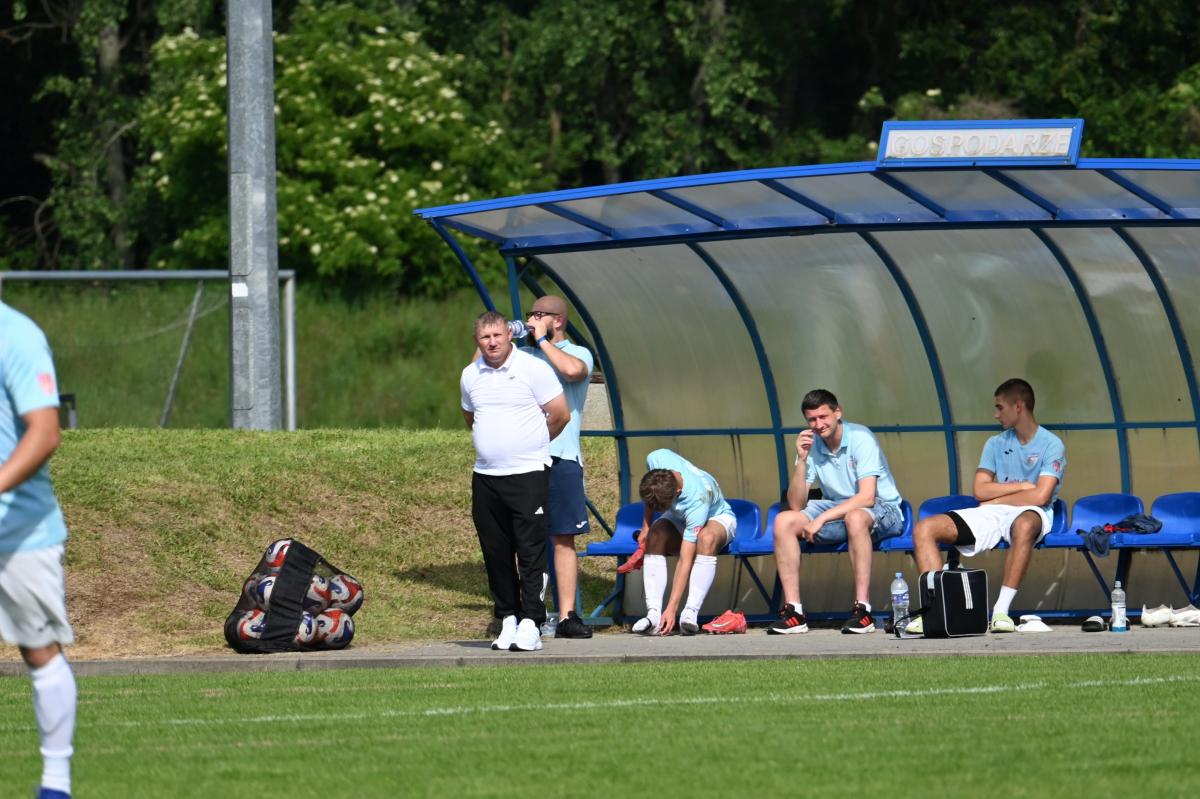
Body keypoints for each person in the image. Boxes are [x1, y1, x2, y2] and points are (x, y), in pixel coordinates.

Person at [909, 378, 1065, 634]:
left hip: (1032, 512)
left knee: (1025, 524)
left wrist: (998, 498)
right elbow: (980, 490)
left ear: (1018, 406)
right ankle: (936, 612)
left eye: (1000, 407)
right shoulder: (995, 443)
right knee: (924, 528)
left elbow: (1041, 496)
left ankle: (1001, 612)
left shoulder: (1052, 444)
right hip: (993, 511)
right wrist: (1022, 486)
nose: (996, 414)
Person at [0, 301, 77, 799]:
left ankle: (55, 787)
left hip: (20, 532)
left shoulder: (16, 335)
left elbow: (45, 433)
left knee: (40, 652)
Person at [461, 311, 569, 653]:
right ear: (477, 341)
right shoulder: (470, 374)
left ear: (509, 335)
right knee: (495, 552)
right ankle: (508, 618)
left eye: (497, 335)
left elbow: (560, 414)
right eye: (485, 337)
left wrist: (531, 444)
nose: (492, 342)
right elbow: (471, 417)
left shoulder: (533, 368)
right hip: (486, 477)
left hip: (528, 474)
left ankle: (532, 622)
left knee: (530, 551)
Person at [769, 389, 905, 635]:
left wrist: (821, 519)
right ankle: (794, 612)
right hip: (838, 509)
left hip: (883, 508)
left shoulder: (861, 437)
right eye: (812, 420)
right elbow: (796, 504)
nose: (818, 424)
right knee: (783, 521)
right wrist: (801, 460)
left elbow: (867, 497)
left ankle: (863, 611)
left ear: (838, 412)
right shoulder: (812, 445)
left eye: (823, 416)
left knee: (855, 517)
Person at [522, 296, 595, 639]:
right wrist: (497, 335)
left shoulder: (577, 353)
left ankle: (567, 616)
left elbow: (572, 372)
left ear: (559, 320)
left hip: (562, 457)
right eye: (531, 315)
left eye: (541, 315)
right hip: (524, 458)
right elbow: (481, 369)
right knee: (523, 537)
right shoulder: (521, 354)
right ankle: (527, 613)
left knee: (562, 537)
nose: (533, 320)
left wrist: (541, 341)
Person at [629, 449, 736, 636]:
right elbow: (651, 494)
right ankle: (653, 614)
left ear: (677, 492)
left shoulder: (697, 500)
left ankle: (690, 612)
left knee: (706, 538)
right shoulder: (657, 458)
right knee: (655, 534)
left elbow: (686, 560)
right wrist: (646, 527)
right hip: (680, 516)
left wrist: (672, 608)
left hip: (717, 517)